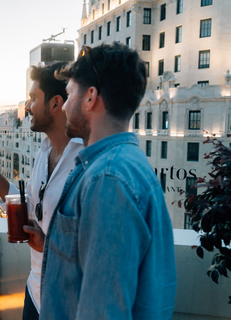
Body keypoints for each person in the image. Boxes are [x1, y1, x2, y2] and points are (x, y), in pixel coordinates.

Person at [40, 42, 177, 319]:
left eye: (69, 94)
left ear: (90, 98)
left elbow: (102, 311)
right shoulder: (126, 164)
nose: (64, 106)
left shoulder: (107, 180)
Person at [0, 62, 83, 319]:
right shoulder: (43, 152)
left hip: (66, 304)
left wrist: (47, 245)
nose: (27, 106)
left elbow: (93, 247)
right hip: (35, 293)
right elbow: (30, 207)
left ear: (56, 104)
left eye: (33, 98)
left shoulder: (84, 162)